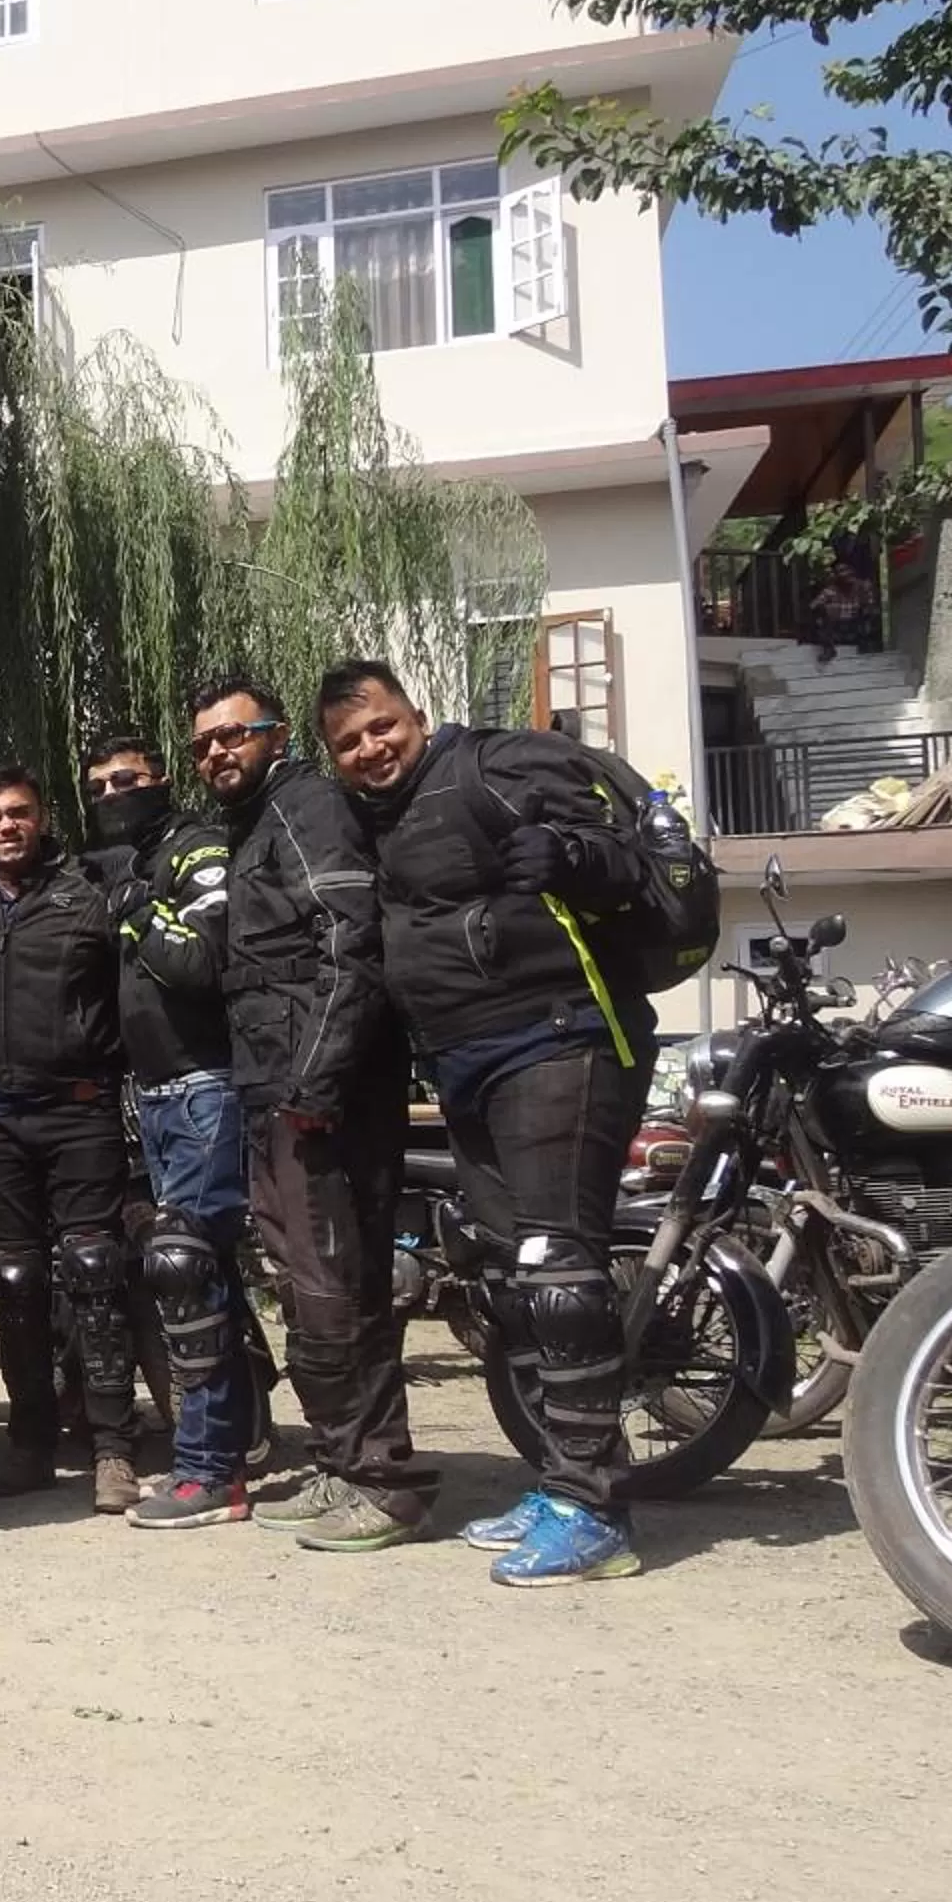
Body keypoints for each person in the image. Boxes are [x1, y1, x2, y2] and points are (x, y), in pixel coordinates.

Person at [320, 661, 657, 1584]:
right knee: (514, 1278)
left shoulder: (495, 764)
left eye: (382, 727)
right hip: (464, 1059)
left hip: (558, 1038)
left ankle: (596, 1513)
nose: (371, 749)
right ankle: (562, 1482)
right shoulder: (378, 818)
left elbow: (622, 855)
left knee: (557, 1266)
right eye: (349, 743)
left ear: (416, 716)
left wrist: (574, 859)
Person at [191, 678, 424, 1551]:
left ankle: (384, 1480)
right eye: (204, 743)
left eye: (234, 734)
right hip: (273, 1088)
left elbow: (347, 943)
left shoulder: (308, 806)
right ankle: (341, 1461)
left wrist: (316, 1085)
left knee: (339, 1287)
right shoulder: (255, 823)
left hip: (320, 1096)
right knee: (306, 1286)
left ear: (275, 736)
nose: (218, 751)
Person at [0, 764, 143, 1514]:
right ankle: (30, 1441)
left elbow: (135, 992)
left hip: (78, 1107)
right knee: (16, 1281)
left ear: (42, 815)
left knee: (93, 1268)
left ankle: (114, 1446)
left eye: (19, 812)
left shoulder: (89, 894)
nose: (6, 826)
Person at [83, 729, 260, 1528]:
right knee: (193, 1274)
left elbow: (204, 963)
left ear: (159, 779)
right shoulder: (133, 860)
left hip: (203, 1085)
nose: (116, 793)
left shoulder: (195, 849)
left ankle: (209, 1471)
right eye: (101, 785)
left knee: (188, 1271)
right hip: (152, 1094)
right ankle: (235, 1442)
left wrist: (140, 917)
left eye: (130, 778)